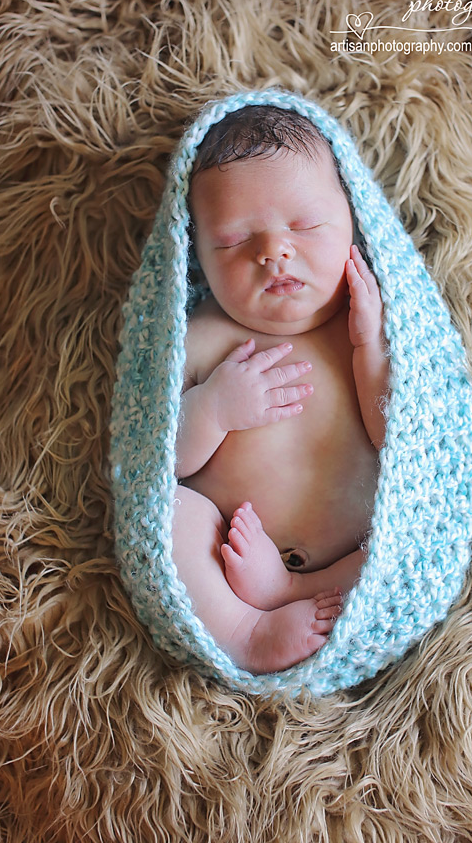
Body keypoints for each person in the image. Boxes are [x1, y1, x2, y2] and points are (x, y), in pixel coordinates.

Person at [171, 104, 389, 675]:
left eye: (306, 225)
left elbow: (404, 439)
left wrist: (372, 352)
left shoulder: (366, 329)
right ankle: (246, 630)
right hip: (226, 560)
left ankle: (293, 589)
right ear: (196, 252)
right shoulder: (200, 338)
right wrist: (212, 409)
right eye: (234, 239)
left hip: (349, 567)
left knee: (404, 545)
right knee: (168, 515)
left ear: (353, 218)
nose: (272, 251)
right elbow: (159, 461)